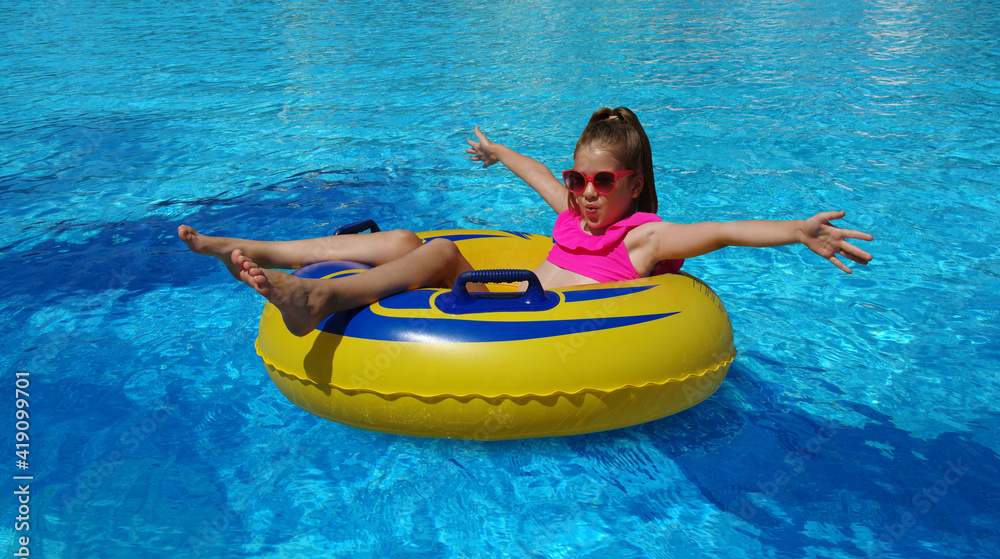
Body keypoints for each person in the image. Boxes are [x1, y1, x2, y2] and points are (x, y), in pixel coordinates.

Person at [178, 107, 873, 337]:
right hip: (511, 290)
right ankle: (246, 248)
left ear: (634, 186)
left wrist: (797, 229)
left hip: (529, 315)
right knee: (397, 240)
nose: (585, 193)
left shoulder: (643, 238)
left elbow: (723, 230)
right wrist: (495, 151)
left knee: (444, 252)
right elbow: (539, 172)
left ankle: (318, 297)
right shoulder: (573, 210)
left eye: (603, 182)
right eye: (580, 180)